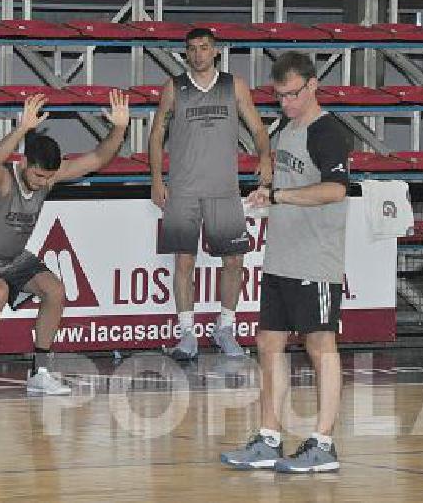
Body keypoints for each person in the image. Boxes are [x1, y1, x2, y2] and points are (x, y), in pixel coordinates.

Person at [0, 90, 130, 399]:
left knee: (55, 290)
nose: (44, 183)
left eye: (49, 177)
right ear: (23, 162)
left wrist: (120, 129)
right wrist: (21, 129)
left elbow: (98, 158)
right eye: (39, 175)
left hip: (9, 256)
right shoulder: (3, 180)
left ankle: (40, 372)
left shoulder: (48, 177)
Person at [220, 51, 350, 473]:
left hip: (315, 260)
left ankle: (324, 443)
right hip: (281, 257)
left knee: (320, 345)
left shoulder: (328, 131)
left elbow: (335, 190)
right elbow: (289, 184)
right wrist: (267, 192)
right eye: (279, 97)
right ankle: (269, 437)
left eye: (293, 95)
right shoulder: (287, 129)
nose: (286, 103)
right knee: (268, 343)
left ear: (313, 85)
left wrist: (280, 197)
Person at [148, 27, 272, 360]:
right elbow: (157, 133)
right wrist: (157, 179)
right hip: (184, 190)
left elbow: (258, 128)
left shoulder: (235, 86)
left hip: (224, 190)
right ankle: (186, 334)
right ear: (186, 53)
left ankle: (225, 328)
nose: (198, 54)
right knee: (184, 263)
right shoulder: (174, 88)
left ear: (215, 51)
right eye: (192, 49)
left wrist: (264, 157)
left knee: (233, 261)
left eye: (204, 48)